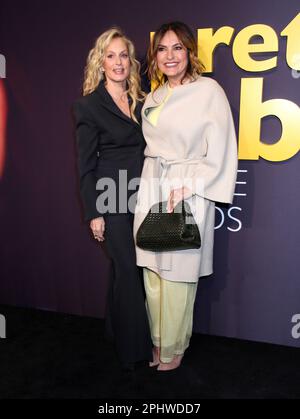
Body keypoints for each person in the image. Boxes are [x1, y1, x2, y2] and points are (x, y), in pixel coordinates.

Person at [134, 21, 238, 371]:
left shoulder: (209, 91)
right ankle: (158, 341)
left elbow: (223, 149)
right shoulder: (155, 95)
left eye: (177, 47)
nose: (170, 55)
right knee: (152, 270)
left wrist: (191, 185)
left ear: (190, 52)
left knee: (177, 274)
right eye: (162, 49)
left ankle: (175, 348)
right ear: (154, 56)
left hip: (187, 187)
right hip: (153, 183)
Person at [73, 27, 152, 370]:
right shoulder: (88, 106)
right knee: (128, 268)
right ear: (100, 62)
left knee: (123, 270)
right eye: (111, 55)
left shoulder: (142, 99)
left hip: (142, 196)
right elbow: (86, 165)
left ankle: (113, 330)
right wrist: (94, 212)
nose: (118, 62)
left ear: (130, 62)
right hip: (111, 198)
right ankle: (134, 351)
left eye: (123, 55)